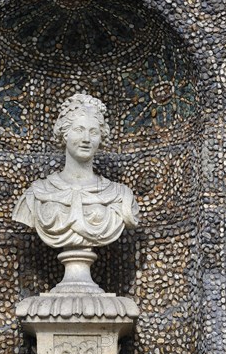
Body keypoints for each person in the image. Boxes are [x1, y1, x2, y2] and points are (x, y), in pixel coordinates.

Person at [12, 93, 139, 249]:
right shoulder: (36, 193)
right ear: (64, 133)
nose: (86, 139)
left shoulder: (120, 195)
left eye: (93, 132)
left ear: (101, 138)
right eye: (79, 130)